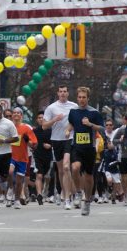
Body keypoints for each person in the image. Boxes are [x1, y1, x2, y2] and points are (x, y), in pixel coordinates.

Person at [66, 87, 105, 215]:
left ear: (88, 98)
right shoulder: (73, 112)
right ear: (77, 98)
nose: (82, 100)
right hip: (77, 146)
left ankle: (87, 200)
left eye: (84, 97)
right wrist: (68, 130)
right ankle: (78, 192)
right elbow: (72, 123)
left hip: (90, 148)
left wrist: (90, 125)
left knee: (89, 176)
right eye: (80, 97)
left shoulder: (94, 113)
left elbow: (102, 128)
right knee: (75, 167)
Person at [42, 85, 79, 209]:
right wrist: (54, 119)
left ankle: (69, 198)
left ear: (68, 93)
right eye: (61, 91)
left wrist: (71, 128)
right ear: (58, 93)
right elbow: (44, 126)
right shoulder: (51, 108)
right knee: (61, 171)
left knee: (67, 167)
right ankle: (67, 194)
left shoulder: (74, 106)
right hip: (56, 140)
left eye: (65, 91)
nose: (63, 93)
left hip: (70, 138)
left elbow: (77, 122)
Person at [9, 107, 38, 205]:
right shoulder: (8, 126)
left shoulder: (26, 128)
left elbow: (34, 144)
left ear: (21, 115)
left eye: (18, 113)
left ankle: (17, 199)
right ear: (12, 115)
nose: (16, 114)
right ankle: (10, 189)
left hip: (22, 158)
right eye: (14, 112)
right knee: (10, 171)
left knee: (19, 181)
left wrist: (27, 140)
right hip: (10, 156)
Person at [31, 112, 52, 205]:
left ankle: (45, 191)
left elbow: (55, 143)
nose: (40, 119)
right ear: (36, 119)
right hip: (37, 156)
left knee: (46, 176)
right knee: (39, 175)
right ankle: (39, 194)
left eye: (42, 118)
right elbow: (30, 141)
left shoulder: (50, 130)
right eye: (39, 118)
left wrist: (50, 145)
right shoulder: (34, 131)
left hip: (48, 157)